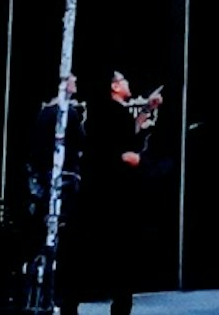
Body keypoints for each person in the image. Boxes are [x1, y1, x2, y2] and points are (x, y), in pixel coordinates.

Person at [67, 69, 150, 315]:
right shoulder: (112, 114)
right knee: (118, 252)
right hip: (112, 195)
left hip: (101, 193)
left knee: (96, 251)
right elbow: (121, 147)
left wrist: (145, 112)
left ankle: (74, 301)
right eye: (124, 80)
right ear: (115, 86)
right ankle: (119, 304)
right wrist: (129, 158)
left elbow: (124, 138)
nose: (128, 83)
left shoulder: (106, 114)